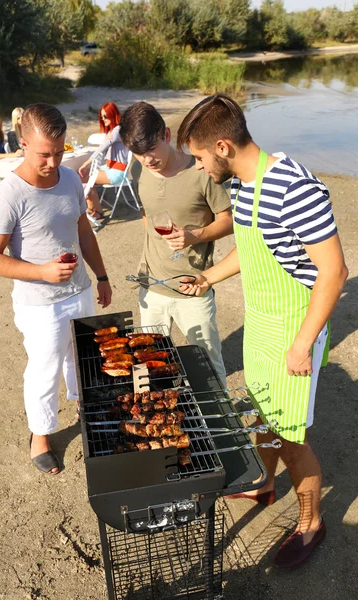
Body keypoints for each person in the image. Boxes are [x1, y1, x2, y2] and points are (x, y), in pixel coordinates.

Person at [177, 93, 348, 568]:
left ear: (224, 146)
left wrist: (302, 344)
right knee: (263, 409)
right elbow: (252, 250)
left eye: (198, 157)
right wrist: (208, 277)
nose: (197, 167)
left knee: (292, 438)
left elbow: (334, 273)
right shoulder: (242, 185)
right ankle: (263, 482)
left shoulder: (294, 188)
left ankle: (311, 524)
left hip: (295, 327)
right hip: (261, 323)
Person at [0, 102, 112, 475]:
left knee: (82, 357)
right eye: (43, 154)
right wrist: (40, 272)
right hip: (40, 304)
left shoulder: (69, 178)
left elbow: (82, 229)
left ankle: (85, 409)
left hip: (80, 291)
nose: (52, 162)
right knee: (45, 368)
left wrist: (100, 276)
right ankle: (40, 435)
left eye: (59, 152)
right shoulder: (8, 195)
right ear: (22, 143)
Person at [119, 101, 233, 388]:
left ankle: (219, 425)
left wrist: (195, 236)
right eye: (138, 153)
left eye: (152, 150)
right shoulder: (138, 170)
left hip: (192, 287)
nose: (147, 160)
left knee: (209, 366)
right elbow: (147, 215)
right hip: (152, 286)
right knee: (149, 366)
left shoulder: (201, 171)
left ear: (166, 135)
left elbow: (229, 221)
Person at [78, 102, 129, 221]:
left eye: (105, 116)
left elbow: (102, 148)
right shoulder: (112, 131)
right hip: (110, 168)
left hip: (117, 172)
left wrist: (85, 163)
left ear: (113, 115)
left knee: (85, 177)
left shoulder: (117, 130)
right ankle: (97, 211)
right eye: (101, 117)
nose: (103, 119)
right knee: (85, 176)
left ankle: (93, 210)